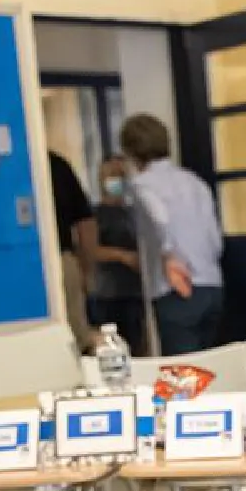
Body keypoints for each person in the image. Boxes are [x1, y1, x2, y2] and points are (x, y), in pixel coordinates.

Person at [118, 114, 224, 356]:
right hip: (211, 283)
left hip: (175, 286)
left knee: (182, 376)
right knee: (209, 364)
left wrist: (168, 253)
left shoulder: (142, 185)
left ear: (131, 152)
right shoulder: (195, 182)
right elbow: (215, 239)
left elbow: (158, 217)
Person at [86, 156, 151, 355]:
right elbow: (91, 250)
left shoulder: (134, 212)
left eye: (122, 175)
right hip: (107, 294)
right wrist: (123, 257)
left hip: (134, 293)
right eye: (112, 175)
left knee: (137, 347)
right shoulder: (95, 215)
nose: (118, 180)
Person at [48, 149, 98, 351]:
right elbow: (85, 223)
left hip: (34, 260)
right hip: (62, 259)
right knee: (77, 339)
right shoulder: (56, 164)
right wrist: (87, 270)